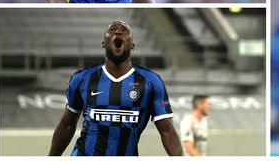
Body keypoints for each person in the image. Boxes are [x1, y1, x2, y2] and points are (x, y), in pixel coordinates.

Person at [48, 20, 183, 156]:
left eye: (125, 30)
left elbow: (167, 131)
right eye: (112, 30)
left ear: (132, 45)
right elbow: (67, 125)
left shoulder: (151, 82)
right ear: (104, 43)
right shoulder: (82, 78)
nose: (118, 31)